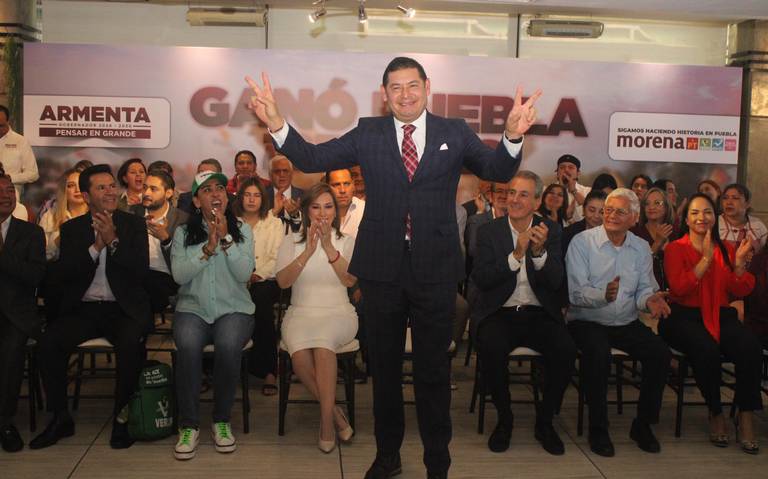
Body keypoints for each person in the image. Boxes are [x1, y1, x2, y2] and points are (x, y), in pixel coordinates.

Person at [246, 56, 541, 478]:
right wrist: (277, 122)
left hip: (435, 270)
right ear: (384, 95)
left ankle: (437, 462)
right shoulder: (369, 133)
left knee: (432, 372)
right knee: (383, 371)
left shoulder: (454, 132)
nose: (405, 95)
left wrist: (511, 135)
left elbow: (496, 168)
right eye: (396, 87)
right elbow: (312, 157)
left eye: (412, 85)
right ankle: (388, 457)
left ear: (427, 87)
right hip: (381, 269)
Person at [31, 164, 151, 450]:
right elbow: (65, 274)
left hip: (122, 309)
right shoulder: (72, 229)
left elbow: (140, 271)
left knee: (131, 345)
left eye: (112, 186)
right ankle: (60, 418)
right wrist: (96, 248)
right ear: (86, 196)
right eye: (102, 187)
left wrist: (113, 241)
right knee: (49, 343)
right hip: (84, 309)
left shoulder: (133, 225)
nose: (110, 192)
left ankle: (122, 419)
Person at [470, 171, 575, 456]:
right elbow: (482, 279)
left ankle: (545, 421)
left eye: (523, 194)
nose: (514, 200)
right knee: (490, 348)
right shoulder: (489, 231)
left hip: (539, 313)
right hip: (500, 312)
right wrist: (516, 255)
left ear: (537, 202)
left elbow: (556, 281)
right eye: (511, 193)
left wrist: (539, 254)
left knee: (566, 350)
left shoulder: (550, 231)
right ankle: (505, 419)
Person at [566, 188, 671, 457]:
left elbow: (644, 289)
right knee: (598, 353)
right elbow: (575, 293)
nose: (611, 215)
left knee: (660, 353)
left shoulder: (640, 247)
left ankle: (643, 425)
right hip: (587, 320)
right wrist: (603, 295)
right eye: (608, 210)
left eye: (620, 211)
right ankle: (598, 428)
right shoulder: (582, 242)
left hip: (625, 321)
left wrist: (649, 301)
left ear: (634, 218)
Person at [661, 193, 762, 454]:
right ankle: (716, 412)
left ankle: (746, 415)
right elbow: (679, 288)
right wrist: (705, 259)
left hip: (720, 314)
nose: (701, 218)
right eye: (694, 212)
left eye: (707, 212)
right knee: (706, 349)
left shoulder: (726, 248)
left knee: (750, 347)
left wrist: (739, 267)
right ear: (686, 219)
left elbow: (739, 290)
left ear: (714, 217)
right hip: (683, 316)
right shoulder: (675, 248)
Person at [170, 171, 255, 460]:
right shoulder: (183, 233)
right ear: (196, 201)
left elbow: (244, 274)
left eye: (220, 188)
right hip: (192, 309)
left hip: (234, 309)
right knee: (188, 345)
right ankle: (189, 425)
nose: (216, 193)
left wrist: (226, 240)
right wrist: (207, 249)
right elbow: (179, 275)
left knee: (229, 345)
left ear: (227, 197)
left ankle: (221, 420)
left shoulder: (243, 229)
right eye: (207, 190)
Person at [275, 183, 358, 453]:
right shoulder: (290, 241)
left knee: (323, 346)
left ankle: (326, 425)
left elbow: (349, 280)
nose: (323, 213)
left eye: (328, 207)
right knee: (299, 357)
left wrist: (328, 247)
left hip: (338, 312)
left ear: (335, 211)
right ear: (306, 211)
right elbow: (283, 282)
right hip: (300, 312)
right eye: (316, 207)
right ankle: (334, 413)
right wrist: (308, 251)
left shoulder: (347, 241)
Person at [0, 173, 45, 452]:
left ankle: (5, 422)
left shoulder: (31, 233)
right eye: (0, 191)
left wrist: (2, 254)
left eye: (9, 190)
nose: (6, 196)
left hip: (16, 314)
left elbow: (34, 276)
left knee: (11, 352)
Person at [232, 177, 284, 396]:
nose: (252, 200)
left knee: (260, 303)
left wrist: (256, 275)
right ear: (240, 198)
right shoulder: (231, 223)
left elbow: (276, 257)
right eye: (247, 195)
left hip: (266, 279)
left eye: (256, 195)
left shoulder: (274, 223)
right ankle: (226, 367)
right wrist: (240, 275)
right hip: (235, 279)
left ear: (263, 199)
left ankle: (269, 370)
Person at [130, 171, 188, 314]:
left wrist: (165, 239)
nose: (146, 193)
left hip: (166, 277)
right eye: (145, 188)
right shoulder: (132, 214)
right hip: (135, 274)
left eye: (153, 189)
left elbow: (184, 263)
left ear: (168, 193)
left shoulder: (183, 220)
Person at [630, 187, 678, 289]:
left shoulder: (675, 233)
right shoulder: (635, 233)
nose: (651, 207)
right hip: (646, 291)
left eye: (657, 203)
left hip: (673, 292)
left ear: (666, 207)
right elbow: (635, 268)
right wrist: (657, 244)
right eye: (647, 204)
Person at [38, 167, 89, 261]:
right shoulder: (50, 216)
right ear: (63, 190)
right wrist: (59, 240)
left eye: (80, 184)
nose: (77, 190)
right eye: (71, 185)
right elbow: (41, 256)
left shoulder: (97, 215)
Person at [0, 105, 38, 201]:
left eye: (0, 125)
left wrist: (9, 178)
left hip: (9, 200)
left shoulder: (20, 141)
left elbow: (33, 174)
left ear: (8, 122)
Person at [718, 183, 767, 251]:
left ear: (747, 204)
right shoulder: (714, 223)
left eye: (735, 198)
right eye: (725, 198)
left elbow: (765, 252)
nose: (728, 202)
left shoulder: (758, 225)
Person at [266, 155, 304, 232]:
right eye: (277, 171)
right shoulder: (261, 196)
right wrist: (274, 212)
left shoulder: (304, 196)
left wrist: (295, 216)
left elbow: (308, 226)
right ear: (270, 175)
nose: (282, 175)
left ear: (292, 173)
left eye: (285, 171)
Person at [562, 190, 605, 257]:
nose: (596, 216)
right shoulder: (569, 233)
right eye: (592, 210)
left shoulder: (611, 235)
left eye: (602, 212)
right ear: (583, 210)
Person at [326, 168, 365, 238]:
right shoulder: (318, 213)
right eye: (336, 185)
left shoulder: (365, 210)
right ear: (327, 187)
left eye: (347, 184)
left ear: (353, 185)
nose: (342, 190)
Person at [554, 154, 590, 224]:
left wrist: (574, 191)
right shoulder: (546, 191)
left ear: (578, 173)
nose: (566, 170)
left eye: (571, 167)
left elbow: (591, 213)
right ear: (557, 172)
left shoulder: (587, 191)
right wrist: (561, 190)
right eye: (562, 167)